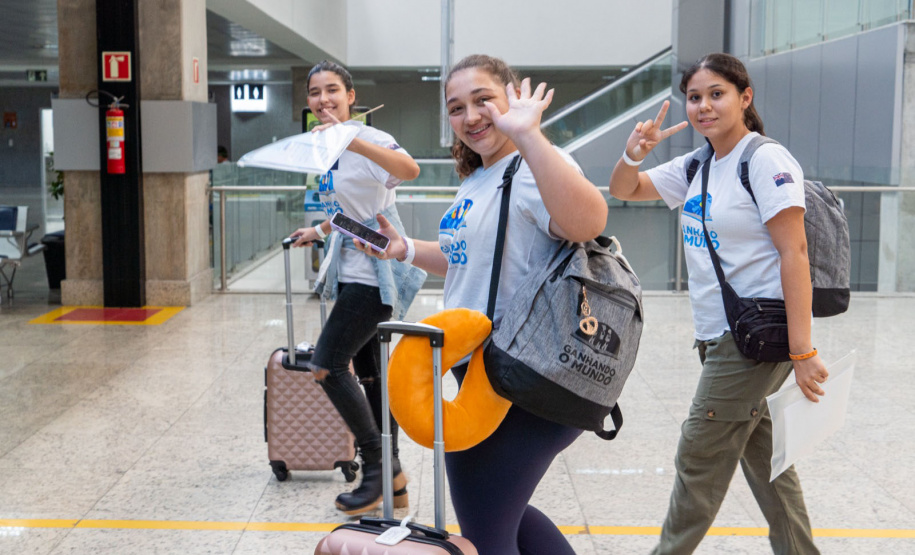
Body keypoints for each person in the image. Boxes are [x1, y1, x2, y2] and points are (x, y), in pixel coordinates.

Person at [356, 54, 608, 555]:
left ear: (513, 97)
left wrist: (531, 136)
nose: (469, 117)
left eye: (482, 100)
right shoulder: (481, 177)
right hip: (486, 373)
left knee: (487, 531)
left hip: (529, 377)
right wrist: (403, 249)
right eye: (456, 107)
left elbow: (588, 222)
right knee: (501, 516)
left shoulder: (534, 167)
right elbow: (467, 262)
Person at [607, 52, 827, 554]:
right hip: (717, 335)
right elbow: (625, 188)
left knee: (697, 461)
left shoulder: (763, 159)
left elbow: (794, 253)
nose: (704, 106)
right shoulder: (700, 163)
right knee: (770, 464)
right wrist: (634, 153)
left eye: (716, 94)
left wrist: (802, 351)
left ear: (744, 98)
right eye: (694, 97)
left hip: (752, 339)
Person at [288, 60, 424, 515]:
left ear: (350, 96)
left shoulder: (371, 140)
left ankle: (377, 469)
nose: (322, 99)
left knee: (327, 365)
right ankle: (394, 482)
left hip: (375, 276)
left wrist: (355, 139)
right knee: (370, 378)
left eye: (332, 90)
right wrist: (322, 230)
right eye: (314, 92)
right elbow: (352, 211)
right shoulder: (324, 148)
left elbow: (409, 169)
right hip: (349, 269)